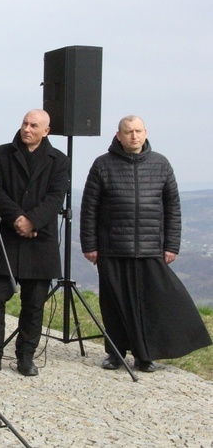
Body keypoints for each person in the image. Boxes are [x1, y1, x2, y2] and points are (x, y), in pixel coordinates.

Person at [80, 115, 212, 372]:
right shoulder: (102, 165)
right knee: (113, 304)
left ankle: (145, 355)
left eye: (138, 131)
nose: (134, 136)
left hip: (150, 247)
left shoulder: (161, 164)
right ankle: (115, 354)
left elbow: (173, 207)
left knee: (148, 305)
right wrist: (90, 245)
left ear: (145, 132)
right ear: (118, 135)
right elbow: (89, 209)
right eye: (128, 132)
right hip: (112, 247)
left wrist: (171, 245)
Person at [0, 108, 69, 378]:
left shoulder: (59, 161)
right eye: (25, 123)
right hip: (6, 235)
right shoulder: (0, 153)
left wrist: (32, 221)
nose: (27, 129)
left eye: (34, 125)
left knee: (34, 303)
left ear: (46, 131)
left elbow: (55, 197)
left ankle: (26, 356)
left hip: (40, 239)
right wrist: (17, 218)